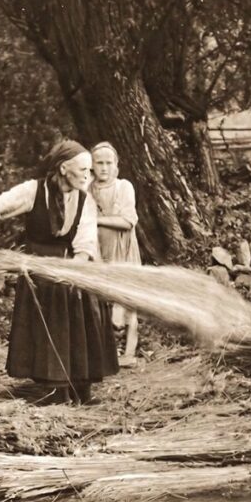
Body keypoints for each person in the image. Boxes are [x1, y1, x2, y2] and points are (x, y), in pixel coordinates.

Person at [0, 140, 119, 404]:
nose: (88, 175)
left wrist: (73, 271)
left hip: (71, 267)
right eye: (83, 169)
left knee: (83, 321)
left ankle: (81, 389)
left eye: (89, 170)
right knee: (50, 327)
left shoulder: (85, 200)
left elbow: (86, 241)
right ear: (64, 168)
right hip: (38, 271)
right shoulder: (33, 191)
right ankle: (56, 390)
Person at [89, 141, 141, 366]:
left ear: (116, 164)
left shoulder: (123, 187)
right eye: (99, 163)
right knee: (99, 299)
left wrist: (96, 220)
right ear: (91, 165)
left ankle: (128, 353)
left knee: (127, 299)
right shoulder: (87, 189)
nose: (104, 168)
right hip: (97, 249)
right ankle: (104, 352)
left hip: (122, 248)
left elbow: (127, 221)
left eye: (108, 163)